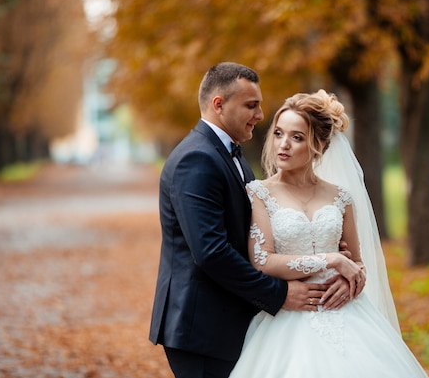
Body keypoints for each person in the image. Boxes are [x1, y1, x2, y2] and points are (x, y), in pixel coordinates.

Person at [149, 63, 355, 378]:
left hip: (234, 321)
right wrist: (280, 293)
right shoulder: (196, 159)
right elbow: (211, 252)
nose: (260, 115)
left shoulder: (231, 155)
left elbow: (253, 232)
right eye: (251, 105)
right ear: (219, 105)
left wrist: (338, 260)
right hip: (202, 327)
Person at [229, 89, 429, 377]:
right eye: (278, 133)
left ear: (319, 146)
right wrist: (333, 260)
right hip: (290, 317)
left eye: (297, 137)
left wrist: (352, 283)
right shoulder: (260, 193)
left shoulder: (341, 197)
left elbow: (358, 263)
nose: (283, 145)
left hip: (347, 314)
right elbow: (262, 260)